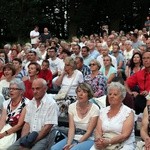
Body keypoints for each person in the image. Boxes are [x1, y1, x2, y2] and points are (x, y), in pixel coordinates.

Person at [8, 78, 58, 150]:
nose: (35, 91)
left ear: (45, 89)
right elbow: (27, 124)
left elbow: (47, 128)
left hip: (45, 137)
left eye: (37, 89)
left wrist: (30, 143)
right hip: (30, 136)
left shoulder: (51, 104)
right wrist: (24, 141)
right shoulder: (31, 103)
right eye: (33, 89)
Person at [51, 83, 100, 150]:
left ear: (89, 95)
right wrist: (68, 144)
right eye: (79, 91)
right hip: (74, 137)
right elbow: (71, 128)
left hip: (88, 139)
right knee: (54, 148)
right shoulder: (71, 107)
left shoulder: (95, 108)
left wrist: (76, 144)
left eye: (84, 92)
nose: (80, 94)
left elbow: (89, 132)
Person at [90, 82, 135, 150]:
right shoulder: (103, 111)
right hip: (103, 141)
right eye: (110, 94)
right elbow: (98, 131)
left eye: (115, 94)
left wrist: (109, 142)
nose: (111, 96)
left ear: (122, 97)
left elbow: (125, 135)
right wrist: (99, 140)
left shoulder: (128, 112)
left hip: (123, 144)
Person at [0, 79, 28, 149]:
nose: (11, 91)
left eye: (14, 89)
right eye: (10, 88)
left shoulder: (27, 104)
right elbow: (2, 121)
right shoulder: (6, 103)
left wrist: (4, 134)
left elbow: (19, 125)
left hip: (17, 132)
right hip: (4, 130)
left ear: (21, 91)